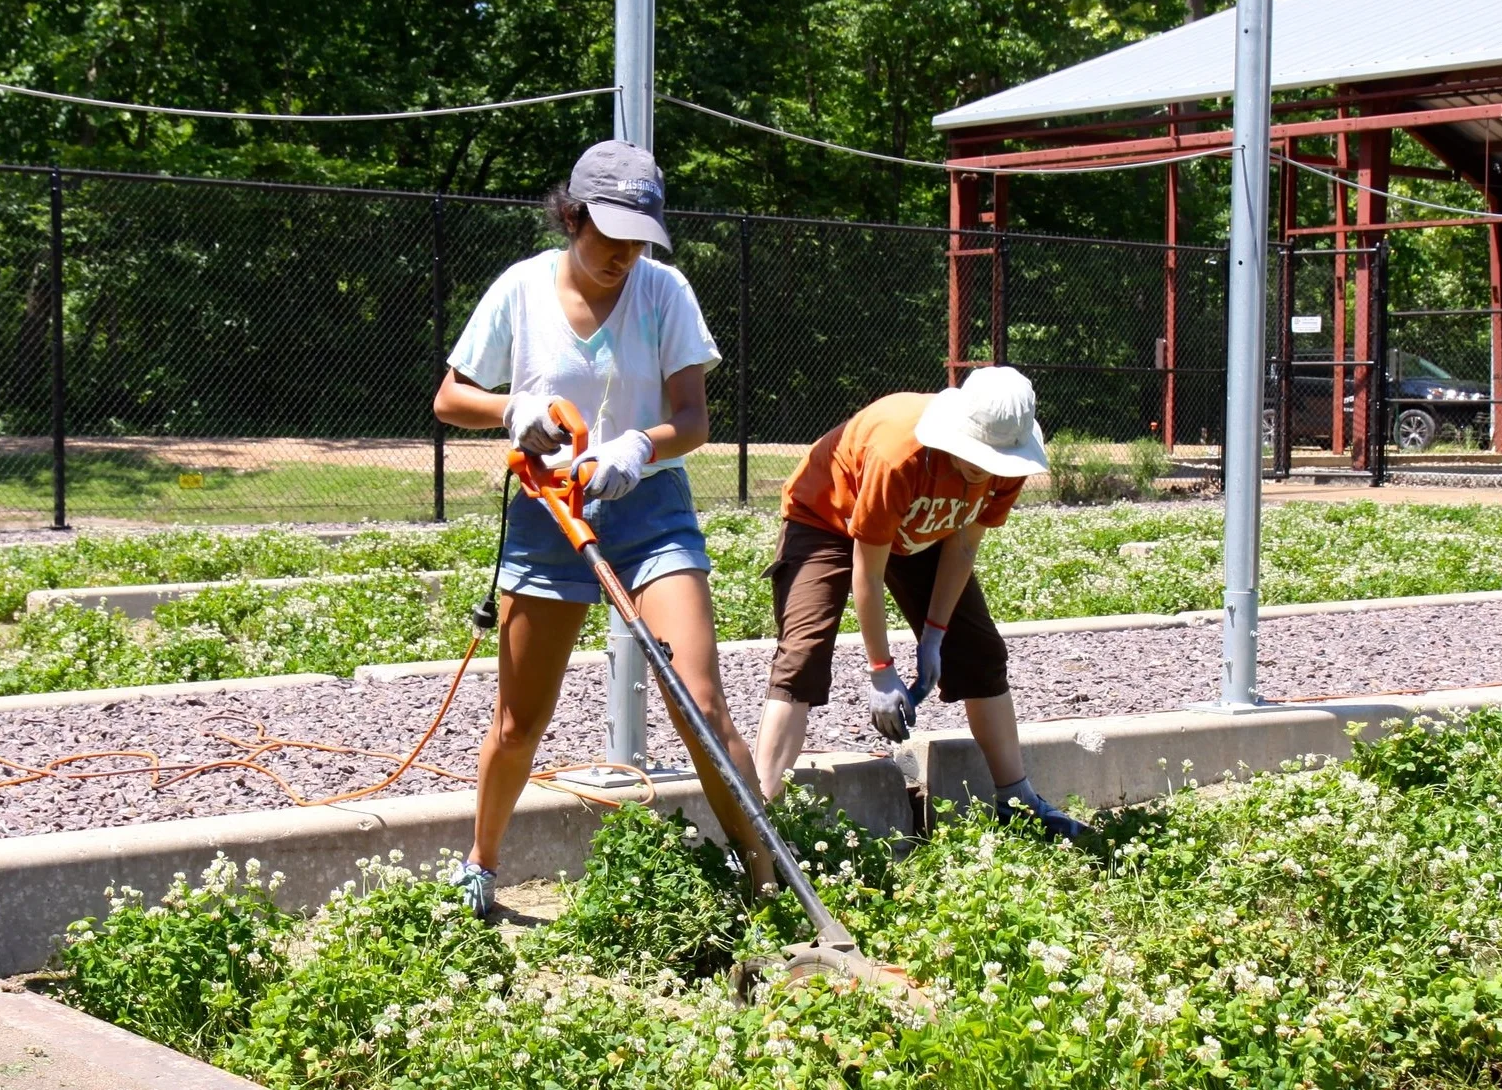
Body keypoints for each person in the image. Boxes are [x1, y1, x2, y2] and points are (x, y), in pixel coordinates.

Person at [432, 138, 775, 915]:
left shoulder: (665, 293)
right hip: (548, 514)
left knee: (699, 702)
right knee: (520, 722)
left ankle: (763, 869)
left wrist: (637, 445)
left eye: (637, 241)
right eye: (609, 237)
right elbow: (450, 399)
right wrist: (512, 409)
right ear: (573, 216)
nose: (623, 256)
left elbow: (692, 419)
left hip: (650, 515)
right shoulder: (520, 289)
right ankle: (480, 868)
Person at [752, 367, 1087, 840]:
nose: (985, 469)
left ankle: (1019, 803)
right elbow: (866, 568)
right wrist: (881, 669)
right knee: (803, 652)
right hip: (826, 516)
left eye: (996, 460)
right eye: (978, 456)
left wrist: (935, 635)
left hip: (918, 532)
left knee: (977, 652)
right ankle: (759, 819)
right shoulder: (899, 455)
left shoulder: (1006, 463)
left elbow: (964, 544)